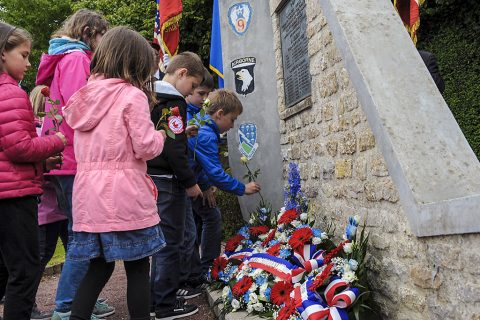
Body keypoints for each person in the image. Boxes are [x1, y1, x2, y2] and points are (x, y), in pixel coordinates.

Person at [62, 26, 166, 320]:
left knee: (98, 267)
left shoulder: (83, 97)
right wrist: (160, 136)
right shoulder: (131, 95)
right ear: (134, 63)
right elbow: (145, 147)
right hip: (125, 194)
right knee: (137, 268)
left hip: (88, 196)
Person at [34, 9, 114, 319]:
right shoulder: (77, 59)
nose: (103, 42)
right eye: (101, 34)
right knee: (83, 235)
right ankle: (67, 306)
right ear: (89, 30)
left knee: (75, 235)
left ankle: (84, 298)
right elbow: (81, 106)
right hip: (72, 158)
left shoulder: (68, 58)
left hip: (66, 157)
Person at [0, 22, 66, 320]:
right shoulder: (10, 92)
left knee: (7, 270)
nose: (28, 63)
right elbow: (18, 148)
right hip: (13, 196)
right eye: (24, 55)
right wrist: (56, 141)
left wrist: (40, 163)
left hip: (7, 189)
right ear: (3, 53)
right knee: (25, 270)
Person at [147, 51, 205, 320]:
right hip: (169, 181)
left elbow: (167, 135)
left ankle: (154, 299)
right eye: (193, 86)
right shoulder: (174, 103)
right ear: (182, 73)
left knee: (160, 244)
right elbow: (173, 148)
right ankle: (165, 305)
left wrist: (183, 132)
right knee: (171, 243)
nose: (192, 91)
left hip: (154, 177)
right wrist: (190, 183)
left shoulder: (152, 95)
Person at [187, 89, 261, 275]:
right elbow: (215, 173)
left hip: (192, 184)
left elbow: (199, 164)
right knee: (188, 232)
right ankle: (203, 270)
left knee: (204, 220)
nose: (233, 125)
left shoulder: (201, 126)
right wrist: (242, 188)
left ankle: (199, 269)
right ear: (219, 114)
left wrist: (204, 187)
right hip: (182, 187)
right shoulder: (205, 134)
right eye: (232, 119)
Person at [29, 85, 69, 320]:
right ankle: (29, 305)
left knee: (77, 252)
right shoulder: (36, 131)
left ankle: (76, 298)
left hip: (60, 208)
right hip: (45, 210)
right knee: (41, 257)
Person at [178, 68, 215, 292]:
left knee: (192, 227)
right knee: (189, 230)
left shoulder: (199, 113)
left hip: (192, 179)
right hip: (188, 180)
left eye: (206, 95)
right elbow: (195, 155)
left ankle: (197, 272)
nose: (204, 99)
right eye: (200, 93)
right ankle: (197, 272)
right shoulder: (186, 113)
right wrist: (205, 184)